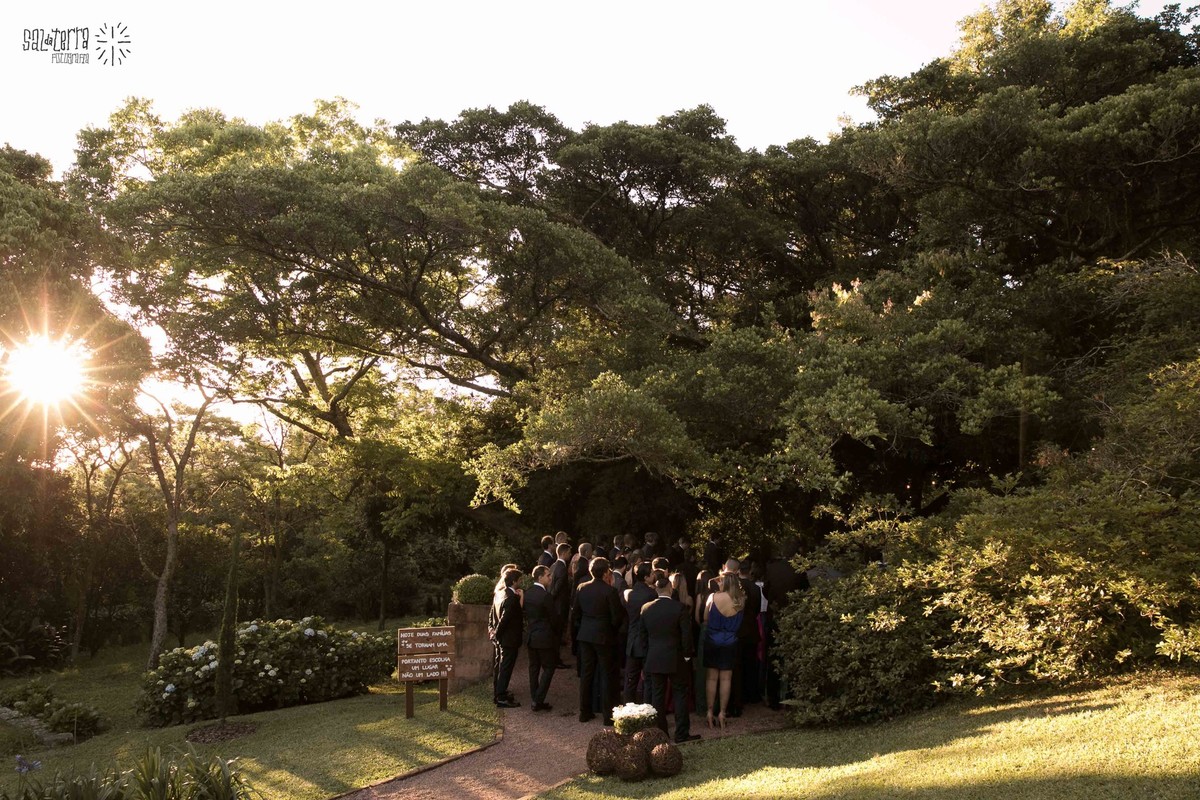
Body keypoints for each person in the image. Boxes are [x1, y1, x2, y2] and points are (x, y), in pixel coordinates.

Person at [639, 573, 699, 744]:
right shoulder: (679, 608)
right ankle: (681, 733)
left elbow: (642, 637)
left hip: (654, 656)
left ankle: (660, 733)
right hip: (676, 657)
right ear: (670, 589)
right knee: (680, 694)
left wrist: (646, 657)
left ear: (656, 589)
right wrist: (687, 655)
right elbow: (686, 635)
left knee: (657, 695)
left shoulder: (646, 608)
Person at [570, 557, 623, 725]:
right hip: (604, 636)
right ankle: (608, 716)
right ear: (606, 572)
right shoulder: (610, 591)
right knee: (606, 674)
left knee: (587, 674)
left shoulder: (581, 588)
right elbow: (616, 618)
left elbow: (575, 613)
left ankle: (584, 712)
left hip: (586, 635)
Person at [763, 542, 809, 709]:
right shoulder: (799, 569)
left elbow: (765, 590)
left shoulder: (772, 569)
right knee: (793, 657)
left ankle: (773, 698)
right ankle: (792, 695)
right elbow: (805, 591)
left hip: (775, 616)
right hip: (793, 617)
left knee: (774, 657)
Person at [703, 572, 744, 729]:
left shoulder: (713, 597)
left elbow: (706, 617)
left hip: (713, 639)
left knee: (711, 678)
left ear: (724, 583)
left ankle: (709, 712)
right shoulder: (740, 600)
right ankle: (722, 713)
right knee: (726, 679)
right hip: (731, 641)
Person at [524, 565, 558, 711]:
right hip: (544, 637)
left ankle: (535, 698)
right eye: (548, 575)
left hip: (531, 636)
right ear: (540, 577)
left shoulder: (528, 593)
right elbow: (554, 618)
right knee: (549, 668)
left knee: (534, 668)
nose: (550, 578)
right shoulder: (546, 596)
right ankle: (538, 699)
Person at [730, 558, 763, 714]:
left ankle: (739, 695)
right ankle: (752, 694)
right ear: (749, 571)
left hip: (737, 628)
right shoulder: (755, 588)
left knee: (738, 664)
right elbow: (756, 609)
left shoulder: (734, 587)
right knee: (751, 663)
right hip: (750, 628)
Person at [489, 567, 524, 708]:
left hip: (503, 638)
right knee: (505, 668)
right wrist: (497, 634)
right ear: (514, 581)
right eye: (520, 580)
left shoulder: (500, 594)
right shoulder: (511, 598)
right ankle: (501, 697)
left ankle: (500, 692)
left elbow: (494, 615)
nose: (521, 582)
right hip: (509, 639)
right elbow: (505, 620)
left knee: (501, 666)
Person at [622, 562, 656, 703]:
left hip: (632, 640)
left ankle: (627, 708)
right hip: (647, 641)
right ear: (647, 577)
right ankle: (648, 709)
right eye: (652, 574)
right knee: (648, 679)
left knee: (631, 679)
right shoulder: (651, 594)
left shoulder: (629, 593)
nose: (654, 575)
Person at [549, 542, 573, 668]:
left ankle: (554, 659)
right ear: (563, 553)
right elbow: (557, 589)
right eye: (569, 553)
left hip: (555, 607)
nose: (570, 555)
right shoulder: (562, 568)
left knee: (555, 635)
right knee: (557, 636)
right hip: (559, 607)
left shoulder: (553, 566)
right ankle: (555, 660)